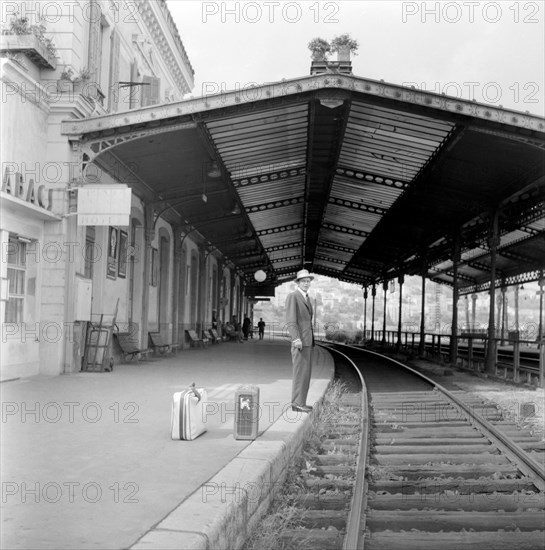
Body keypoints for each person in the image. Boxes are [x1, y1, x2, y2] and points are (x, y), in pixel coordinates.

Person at [284, 269, 315, 413]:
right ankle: (297, 403)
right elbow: (291, 320)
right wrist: (295, 338)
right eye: (303, 281)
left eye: (308, 281)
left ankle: (301, 402)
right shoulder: (293, 296)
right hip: (300, 342)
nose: (306, 283)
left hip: (307, 341)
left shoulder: (307, 297)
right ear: (298, 282)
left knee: (305, 374)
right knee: (300, 373)